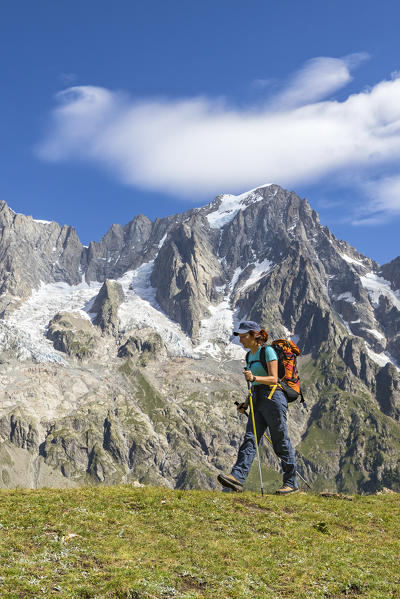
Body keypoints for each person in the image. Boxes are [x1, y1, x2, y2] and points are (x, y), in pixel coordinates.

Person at [217, 321, 298, 495]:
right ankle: (237, 477)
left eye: (244, 336)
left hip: (273, 397)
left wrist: (253, 378)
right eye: (239, 336)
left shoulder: (267, 351)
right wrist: (245, 403)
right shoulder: (249, 357)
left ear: (255, 336)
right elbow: (254, 384)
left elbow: (274, 379)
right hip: (257, 398)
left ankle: (291, 483)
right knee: (250, 438)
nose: (241, 340)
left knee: (280, 439)